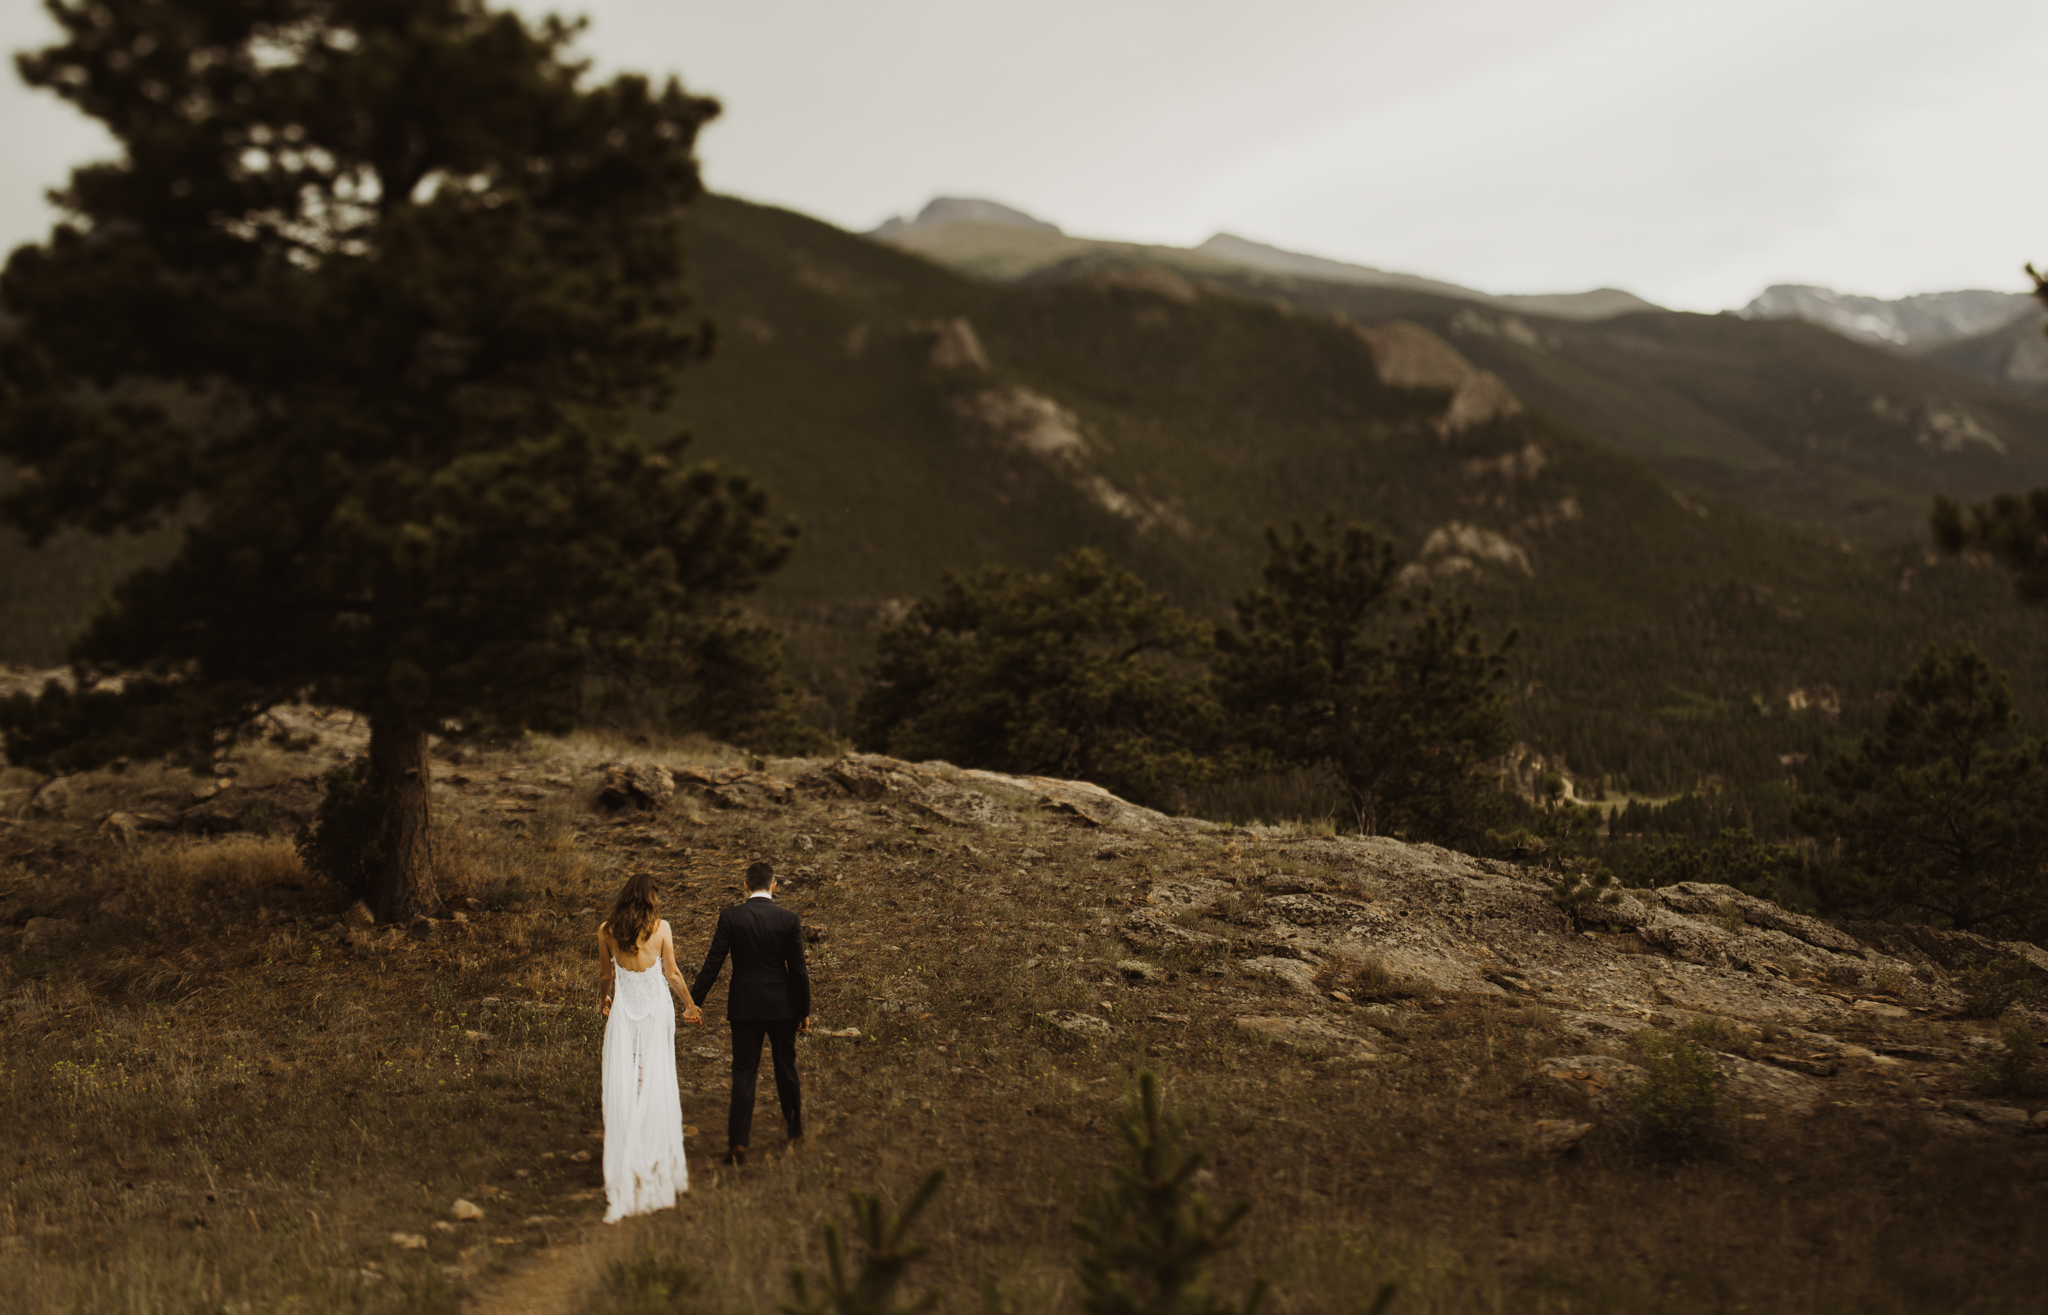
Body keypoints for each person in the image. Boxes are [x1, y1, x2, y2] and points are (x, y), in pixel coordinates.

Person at [596, 871, 702, 1222]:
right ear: (650, 898)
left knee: (627, 1083)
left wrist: (604, 1000)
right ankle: (653, 1155)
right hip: (656, 1014)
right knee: (655, 1080)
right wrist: (689, 1004)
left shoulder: (607, 930)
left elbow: (605, 975)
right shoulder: (661, 928)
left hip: (624, 1014)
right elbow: (671, 974)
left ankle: (630, 1154)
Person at [689, 860, 811, 1166]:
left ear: (745, 886)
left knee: (744, 1072)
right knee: (786, 1067)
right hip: (781, 1006)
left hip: (744, 1006)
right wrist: (803, 1009)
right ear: (774, 886)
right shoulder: (789, 919)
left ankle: (738, 1143)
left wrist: (694, 1001)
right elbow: (798, 970)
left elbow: (713, 962)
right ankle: (795, 1129)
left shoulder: (731, 916)